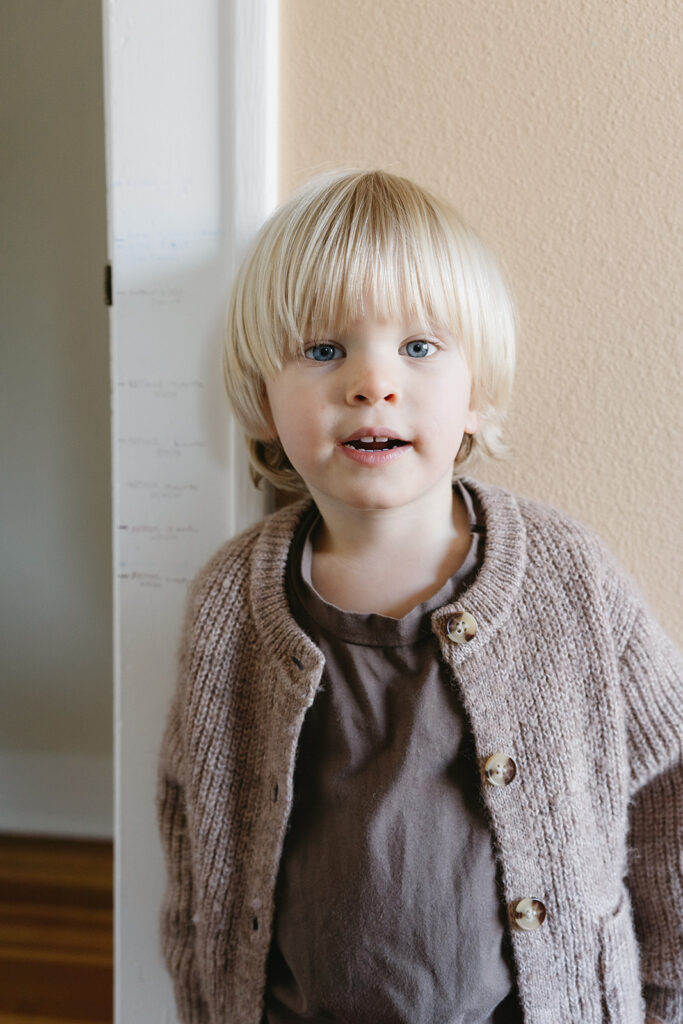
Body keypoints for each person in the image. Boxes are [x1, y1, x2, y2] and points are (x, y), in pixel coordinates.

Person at [157, 169, 682, 1024]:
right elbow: (200, 839)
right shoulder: (233, 606)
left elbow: (669, 786)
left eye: (419, 348)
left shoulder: (568, 578)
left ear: (476, 395)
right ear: (262, 400)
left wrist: (663, 1000)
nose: (372, 383)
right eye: (323, 350)